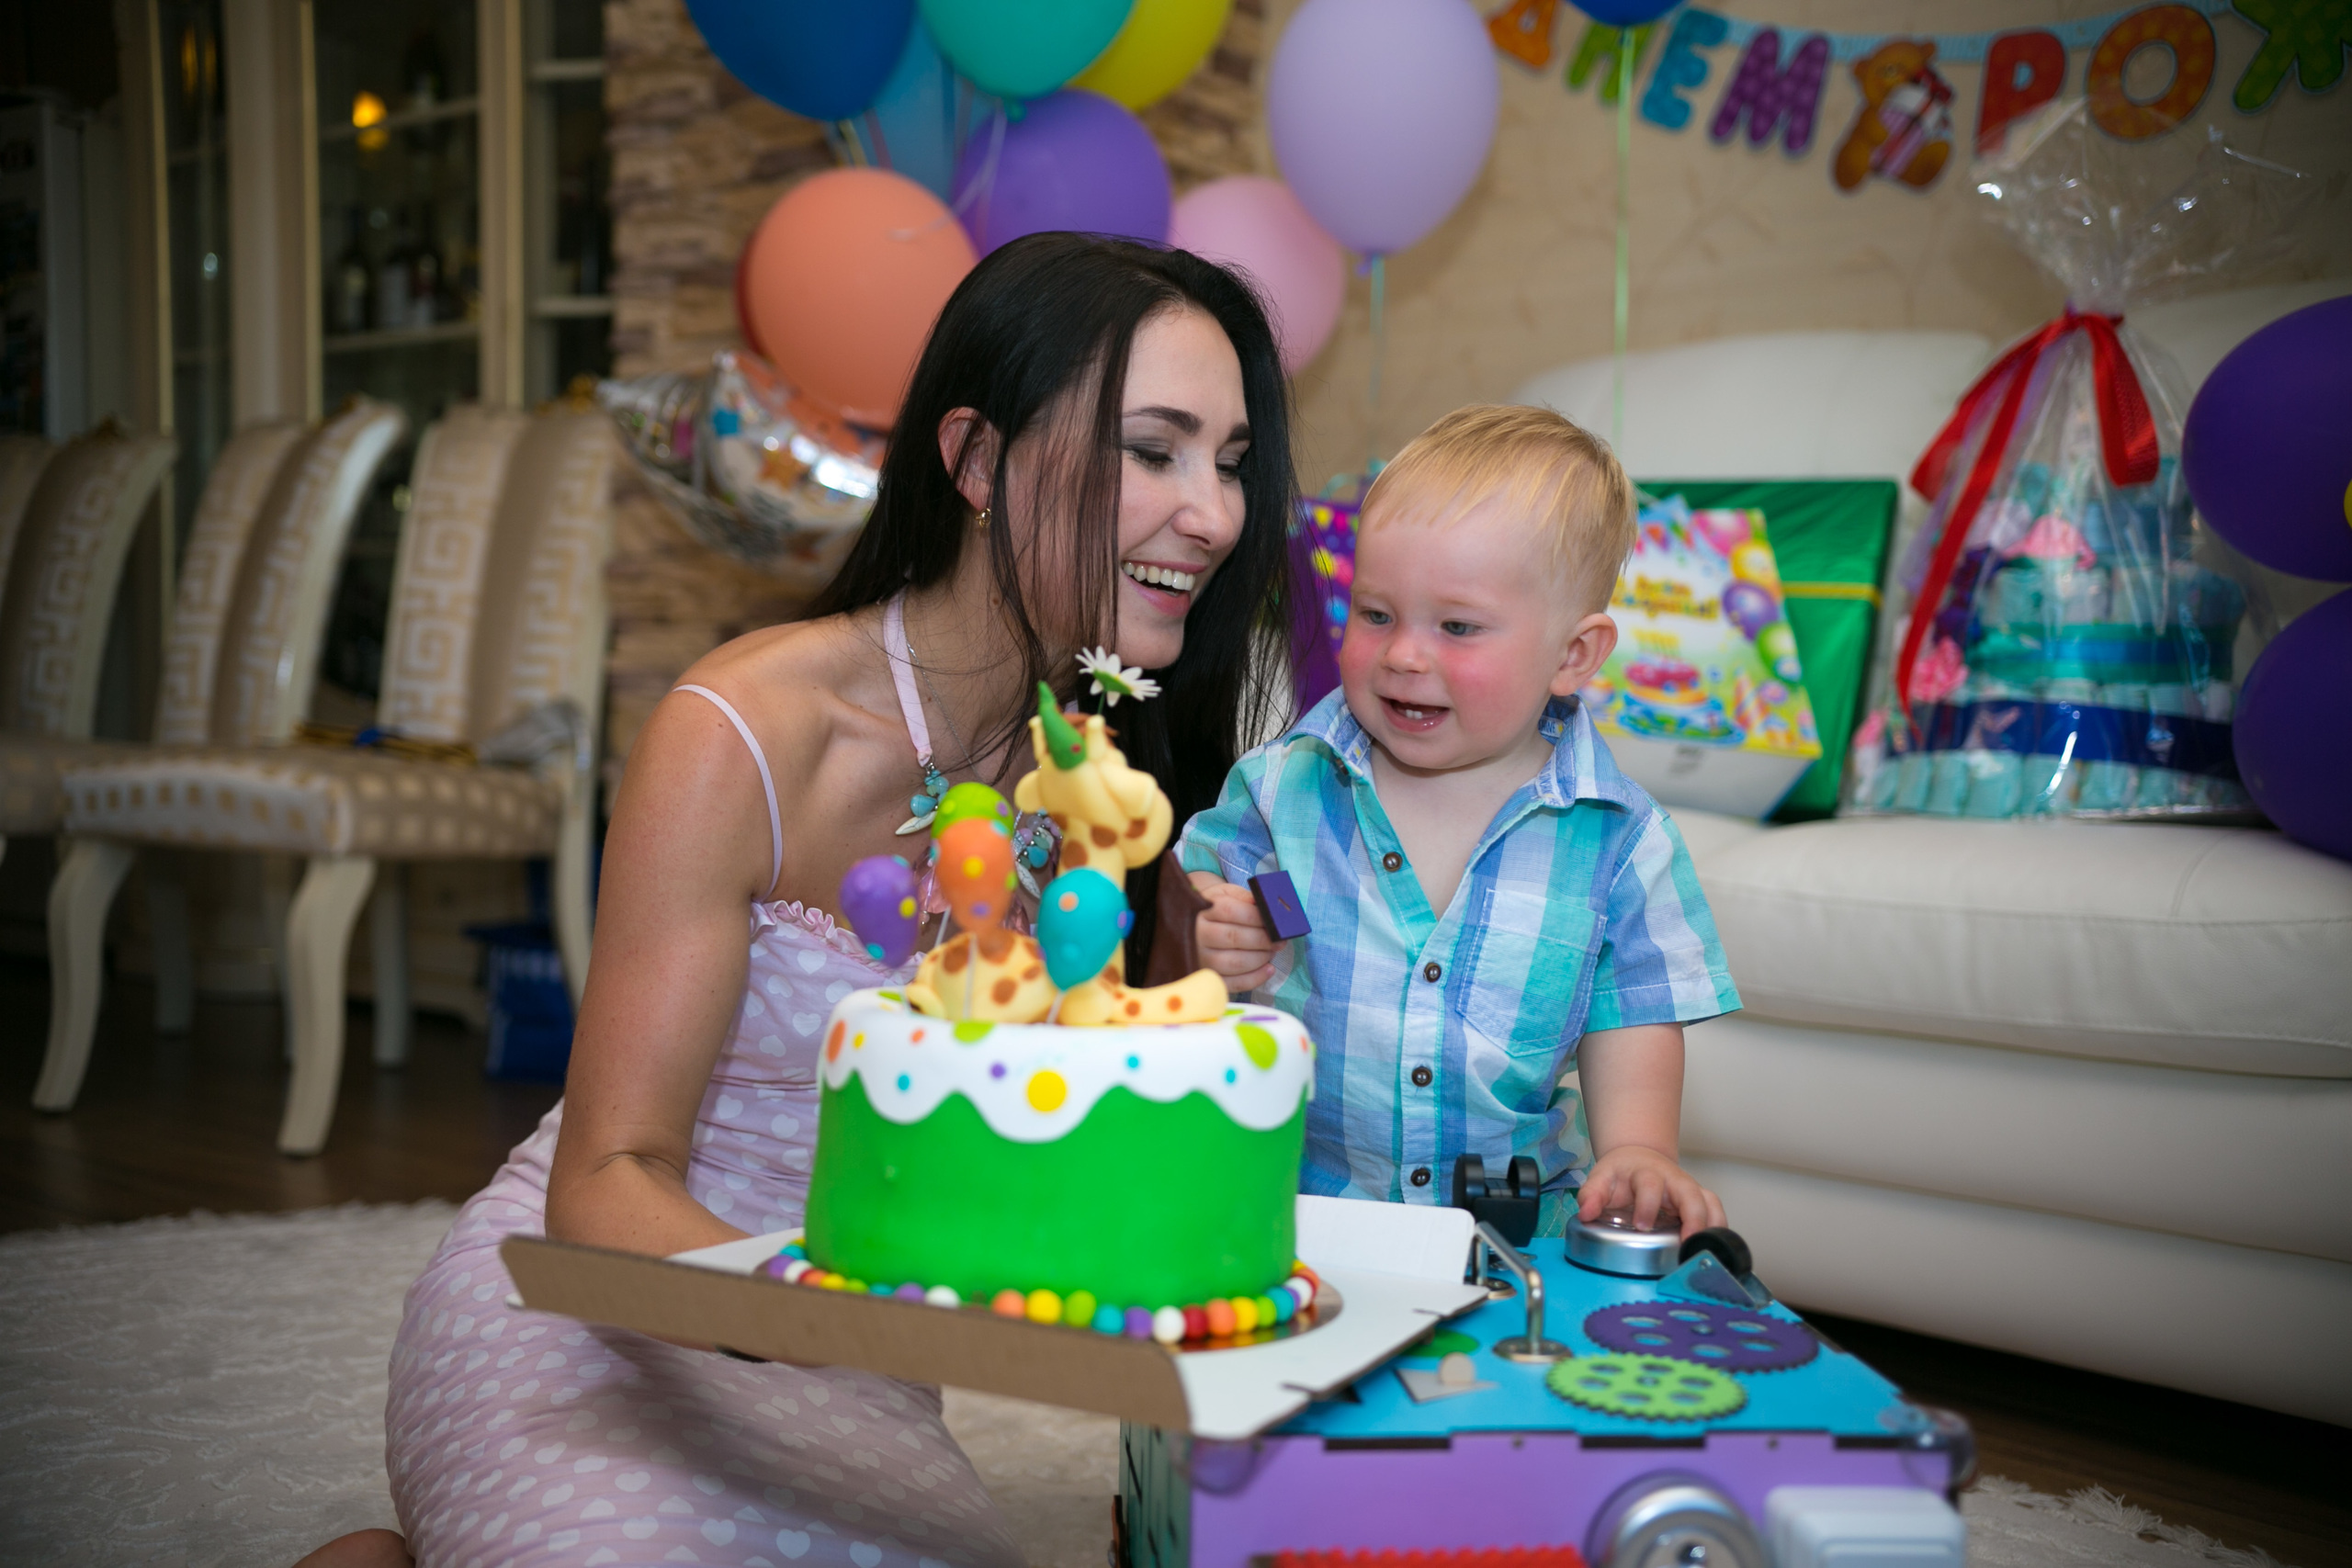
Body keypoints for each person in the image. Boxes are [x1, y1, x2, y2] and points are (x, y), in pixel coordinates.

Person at [300, 232, 1297, 1568]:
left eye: (1230, 463)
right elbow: (604, 1181)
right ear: (978, 462)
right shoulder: (745, 730)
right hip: (600, 1317)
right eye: (1154, 449)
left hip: (858, 1370)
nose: (1216, 515)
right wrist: (845, 1313)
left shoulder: (1114, 787)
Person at [1180, 404, 1738, 1242]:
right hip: (1295, 1219)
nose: (1404, 654)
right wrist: (1202, 929)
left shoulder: (1619, 841)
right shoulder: (1283, 787)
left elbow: (1633, 1014)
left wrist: (1639, 1149)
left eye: (1457, 627)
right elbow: (1181, 900)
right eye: (1376, 615)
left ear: (1573, 656)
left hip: (1511, 1238)